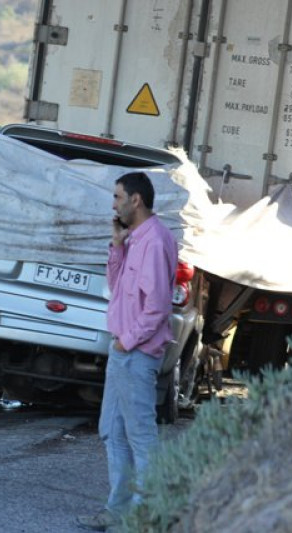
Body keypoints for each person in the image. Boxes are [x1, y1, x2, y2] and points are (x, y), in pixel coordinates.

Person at [77, 172, 177, 530]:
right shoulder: (135, 240)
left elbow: (159, 307)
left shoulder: (154, 241)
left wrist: (127, 340)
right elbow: (116, 287)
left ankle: (146, 515)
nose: (114, 203)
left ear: (136, 200)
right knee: (113, 432)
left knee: (140, 436)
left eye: (118, 197)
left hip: (136, 352)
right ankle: (118, 511)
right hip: (123, 350)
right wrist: (117, 245)